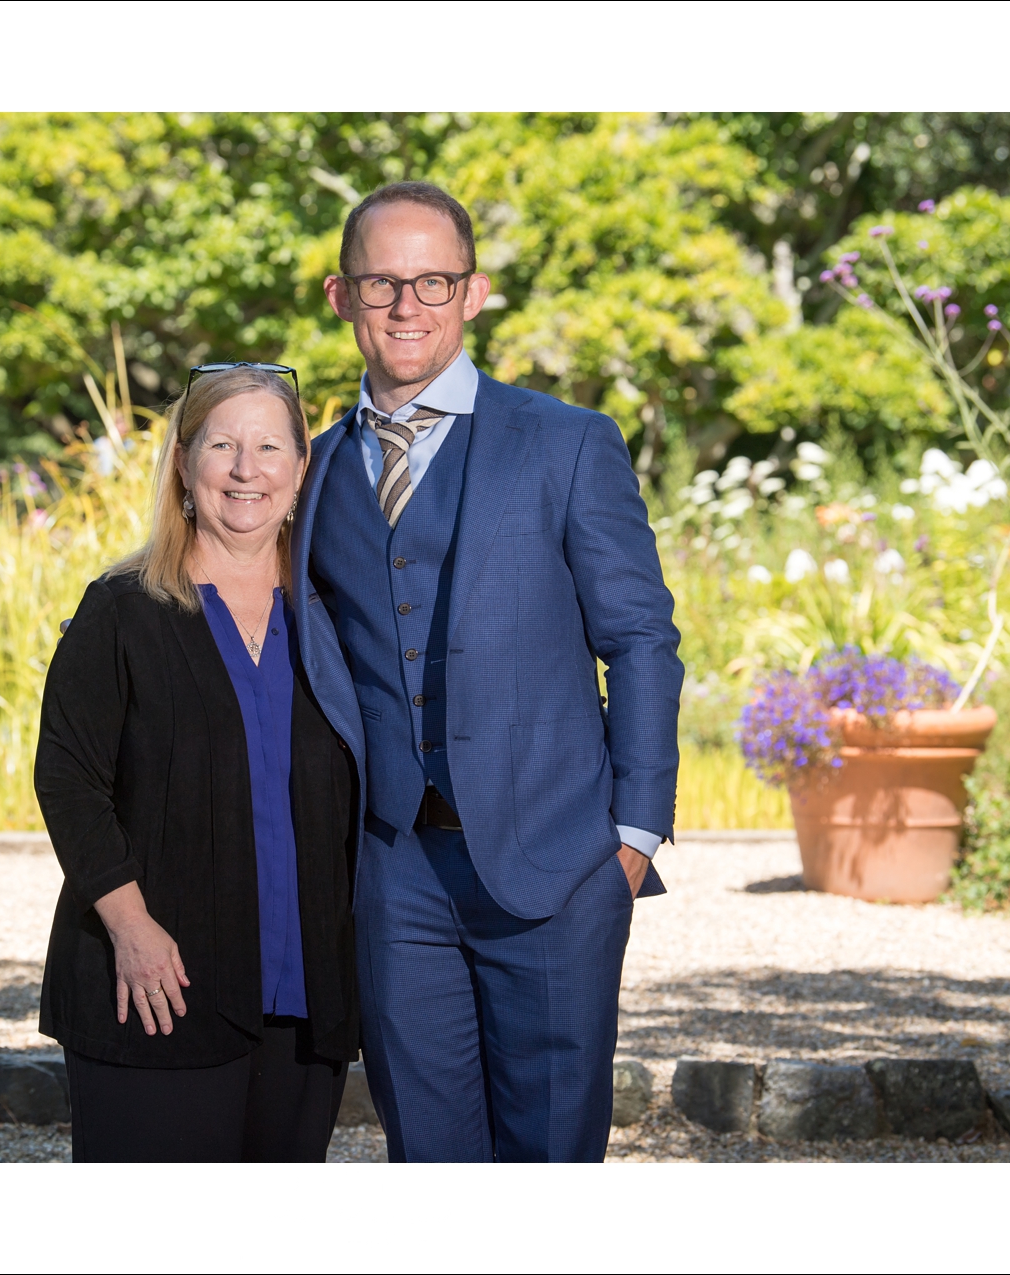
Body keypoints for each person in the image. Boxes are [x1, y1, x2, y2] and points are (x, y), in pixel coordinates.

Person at [290, 181, 683, 1162]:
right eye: (384, 282)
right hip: (392, 876)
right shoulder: (315, 466)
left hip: (558, 862)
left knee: (549, 1155)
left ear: (477, 293)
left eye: (435, 280)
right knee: (428, 1155)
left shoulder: (566, 442)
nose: (409, 305)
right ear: (342, 297)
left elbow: (640, 640)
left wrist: (632, 835)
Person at [34, 364, 360, 1162]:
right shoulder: (120, 609)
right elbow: (69, 780)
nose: (246, 469)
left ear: (300, 467)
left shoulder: (335, 618)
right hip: (156, 984)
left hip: (305, 995)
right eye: (223, 445)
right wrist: (132, 928)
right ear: (183, 465)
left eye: (269, 446)